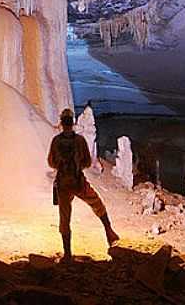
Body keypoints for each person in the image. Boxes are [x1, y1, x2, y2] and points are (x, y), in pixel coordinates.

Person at [48, 108, 119, 261]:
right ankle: (109, 232)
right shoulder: (79, 140)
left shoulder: (56, 141)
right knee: (96, 203)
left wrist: (62, 165)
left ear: (61, 122)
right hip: (78, 181)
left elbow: (51, 162)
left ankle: (67, 254)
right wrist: (77, 164)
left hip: (63, 183)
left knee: (64, 217)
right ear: (72, 122)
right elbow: (87, 161)